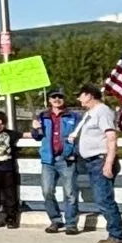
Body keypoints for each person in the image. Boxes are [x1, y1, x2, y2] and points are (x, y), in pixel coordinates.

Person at [74, 85, 122, 243]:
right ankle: (117, 233)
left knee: (104, 199)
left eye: (80, 95)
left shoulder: (103, 111)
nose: (78, 98)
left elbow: (111, 137)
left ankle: (118, 234)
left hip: (101, 160)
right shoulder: (90, 114)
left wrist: (108, 163)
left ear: (89, 95)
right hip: (92, 162)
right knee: (102, 199)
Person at [33, 89, 83, 234]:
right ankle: (55, 220)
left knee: (70, 193)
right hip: (48, 160)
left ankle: (71, 223)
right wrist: (35, 129)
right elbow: (37, 136)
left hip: (67, 159)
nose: (57, 99)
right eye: (53, 97)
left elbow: (80, 135)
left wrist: (74, 152)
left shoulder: (74, 116)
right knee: (47, 191)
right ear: (49, 100)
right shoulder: (42, 116)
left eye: (60, 97)